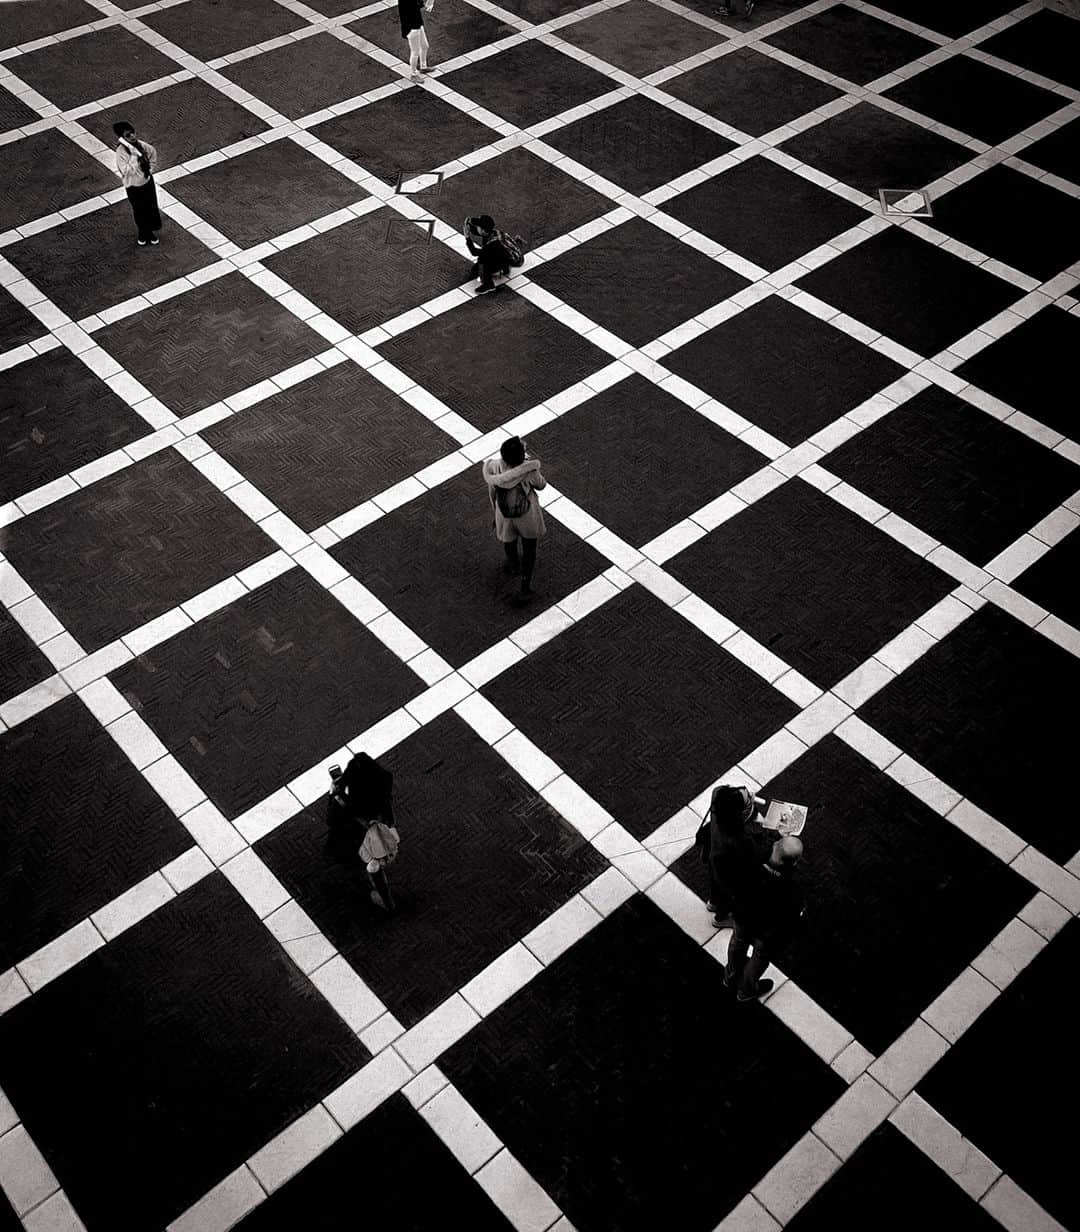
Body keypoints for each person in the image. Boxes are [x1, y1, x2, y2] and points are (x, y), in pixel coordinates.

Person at [724, 836, 805, 1003]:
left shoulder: (752, 862)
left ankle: (730, 976)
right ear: (794, 862)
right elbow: (791, 918)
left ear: (775, 847)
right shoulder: (791, 888)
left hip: (743, 917)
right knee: (759, 957)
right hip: (766, 932)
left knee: (737, 943)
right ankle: (746, 989)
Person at [326, 753, 399, 912]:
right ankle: (387, 900)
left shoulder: (343, 801)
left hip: (353, 839)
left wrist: (333, 794)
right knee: (375, 865)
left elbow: (331, 820)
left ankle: (378, 896)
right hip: (378, 836)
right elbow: (387, 810)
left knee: (357, 865)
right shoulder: (383, 784)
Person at [482, 436, 546, 601]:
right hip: (527, 516)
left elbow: (492, 492)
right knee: (529, 549)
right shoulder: (529, 470)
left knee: (508, 542)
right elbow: (541, 485)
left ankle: (513, 565)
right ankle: (525, 586)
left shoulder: (494, 467)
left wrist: (495, 513)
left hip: (504, 515)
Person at [697, 784, 769, 929]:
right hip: (728, 873)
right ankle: (720, 918)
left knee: (715, 883)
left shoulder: (718, 796)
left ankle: (713, 902)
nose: (748, 793)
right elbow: (757, 857)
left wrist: (744, 797)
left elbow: (720, 789)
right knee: (730, 896)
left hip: (713, 856)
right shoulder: (738, 841)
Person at [113, 120, 161, 247]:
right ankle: (143, 232)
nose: (133, 136)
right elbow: (125, 171)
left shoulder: (142, 145)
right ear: (122, 138)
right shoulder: (121, 153)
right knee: (139, 211)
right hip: (133, 187)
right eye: (128, 135)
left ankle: (149, 232)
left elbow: (152, 153)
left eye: (132, 132)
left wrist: (150, 170)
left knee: (150, 208)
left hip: (147, 183)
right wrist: (134, 157)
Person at [464, 215, 525, 295]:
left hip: (513, 260)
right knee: (476, 268)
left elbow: (474, 252)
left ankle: (488, 286)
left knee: (482, 260)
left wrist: (467, 237)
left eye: (478, 227)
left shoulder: (493, 244)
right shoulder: (493, 232)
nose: (476, 228)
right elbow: (478, 232)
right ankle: (505, 268)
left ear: (483, 230)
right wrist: (469, 223)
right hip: (508, 255)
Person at [399, 0, 434, 82]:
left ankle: (423, 67)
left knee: (425, 46)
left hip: (417, 25)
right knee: (415, 52)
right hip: (412, 28)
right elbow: (417, 5)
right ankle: (413, 74)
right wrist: (428, 3)